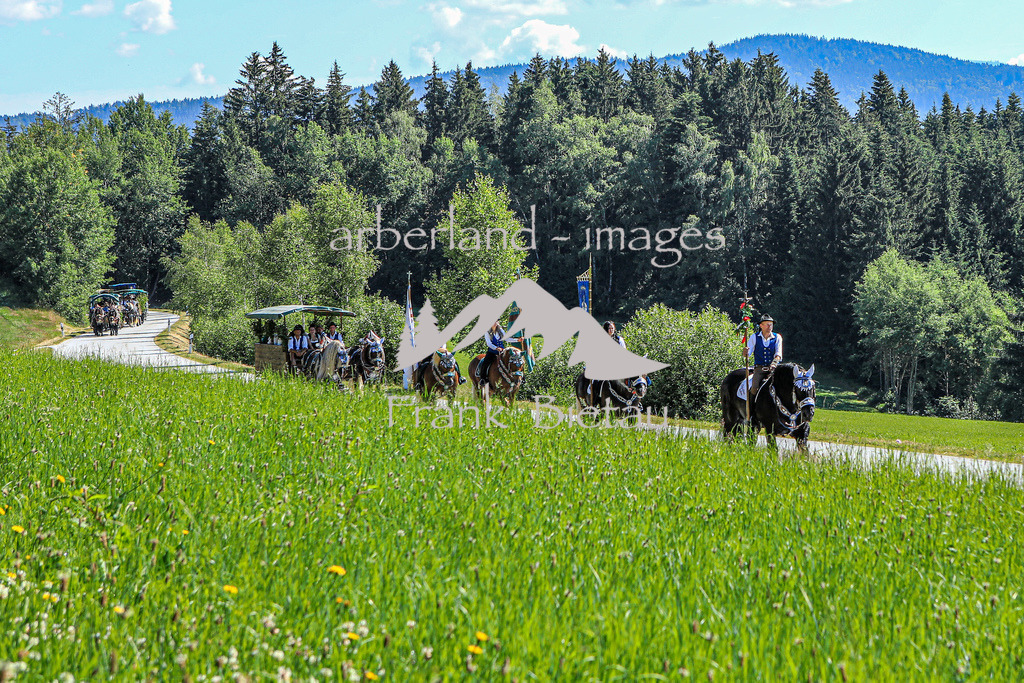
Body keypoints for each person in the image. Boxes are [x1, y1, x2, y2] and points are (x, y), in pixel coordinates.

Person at [744, 313, 783, 393]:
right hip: (759, 370)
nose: (769, 327)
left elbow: (778, 354)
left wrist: (774, 363)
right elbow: (747, 354)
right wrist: (745, 352)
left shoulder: (777, 337)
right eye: (767, 324)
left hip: (774, 369)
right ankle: (751, 405)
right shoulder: (754, 337)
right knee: (754, 389)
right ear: (761, 326)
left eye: (771, 325)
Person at [477, 320, 505, 390]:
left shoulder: (501, 330)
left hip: (502, 352)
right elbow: (489, 343)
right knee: (485, 363)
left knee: (512, 360)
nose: (495, 323)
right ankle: (483, 379)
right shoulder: (487, 332)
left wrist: (517, 340)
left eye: (496, 321)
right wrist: (496, 348)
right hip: (492, 352)